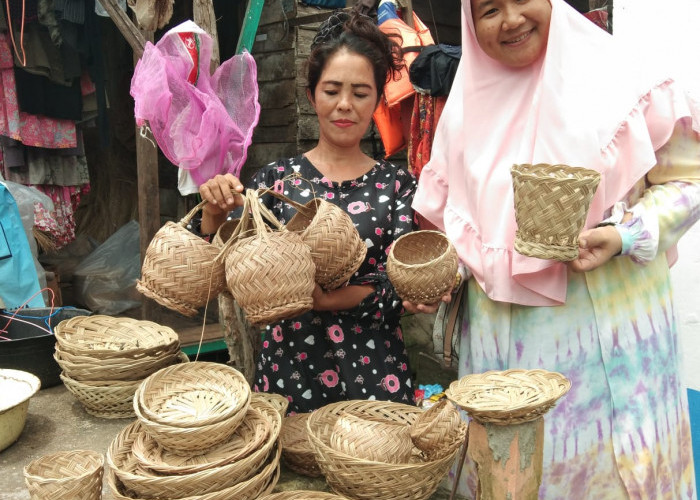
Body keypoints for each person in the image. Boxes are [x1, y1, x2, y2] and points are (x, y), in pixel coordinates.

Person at [406, 0, 699, 498]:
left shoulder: (624, 77)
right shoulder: (464, 111)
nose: (511, 19)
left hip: (617, 349)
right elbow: (463, 234)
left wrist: (625, 234)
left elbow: (687, 182)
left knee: (619, 474)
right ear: (471, 25)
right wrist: (439, 278)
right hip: (506, 363)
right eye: (489, 9)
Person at [197, 11, 418, 415]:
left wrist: (323, 300)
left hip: (374, 378)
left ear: (378, 98)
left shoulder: (397, 186)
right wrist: (212, 215)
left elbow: (402, 290)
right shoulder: (275, 181)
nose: (345, 105)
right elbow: (228, 271)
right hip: (290, 374)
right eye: (332, 90)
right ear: (311, 94)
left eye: (361, 92)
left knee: (377, 474)